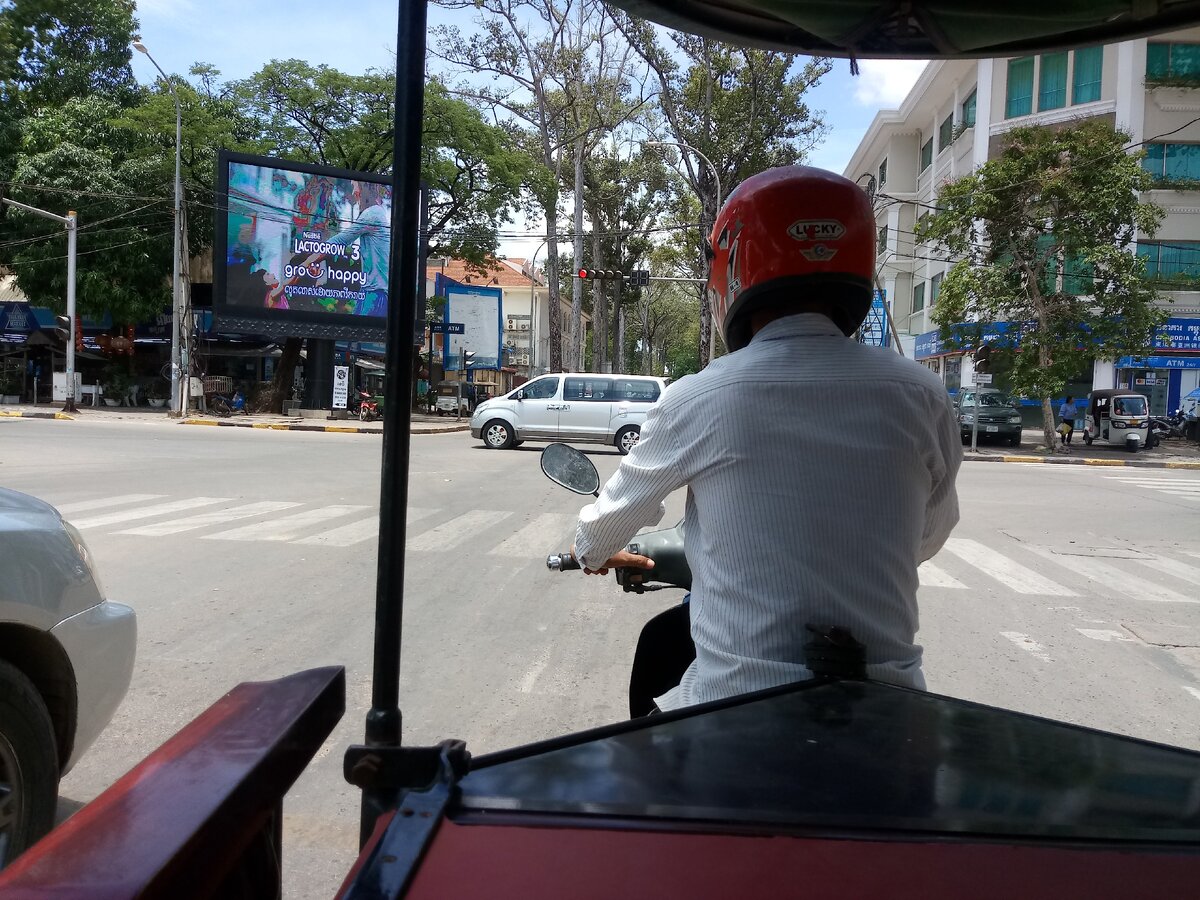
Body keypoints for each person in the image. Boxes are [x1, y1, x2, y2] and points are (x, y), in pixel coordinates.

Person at [573, 165, 962, 712]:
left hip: (733, 707)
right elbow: (928, 537)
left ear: (732, 271)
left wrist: (589, 549)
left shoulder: (699, 396)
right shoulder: (923, 393)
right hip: (891, 704)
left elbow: (598, 537)